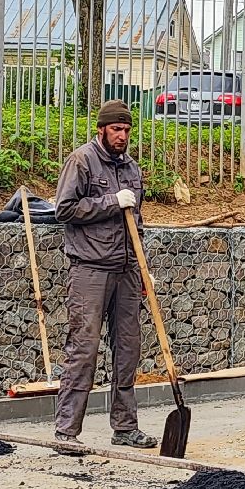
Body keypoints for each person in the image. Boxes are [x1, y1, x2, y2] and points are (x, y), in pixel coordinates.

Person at [53, 99, 157, 450]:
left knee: (128, 349)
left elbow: (136, 221)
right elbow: (64, 209)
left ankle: (125, 427)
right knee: (84, 348)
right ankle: (67, 433)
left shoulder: (131, 167)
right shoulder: (81, 161)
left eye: (127, 130)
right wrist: (112, 201)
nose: (122, 136)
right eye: (116, 129)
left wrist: (144, 269)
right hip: (91, 269)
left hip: (127, 269)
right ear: (101, 129)